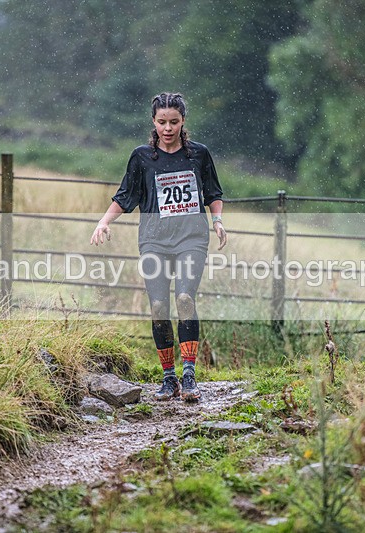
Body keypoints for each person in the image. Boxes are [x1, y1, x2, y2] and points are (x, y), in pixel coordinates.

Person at [91, 92, 228, 402]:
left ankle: (189, 374)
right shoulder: (142, 157)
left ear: (183, 122)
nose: (168, 128)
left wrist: (217, 220)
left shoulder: (199, 155)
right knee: (158, 307)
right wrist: (104, 222)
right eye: (162, 122)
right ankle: (169, 378)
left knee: (184, 298)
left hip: (191, 237)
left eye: (174, 122)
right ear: (153, 122)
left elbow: (213, 192)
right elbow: (126, 195)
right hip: (153, 239)